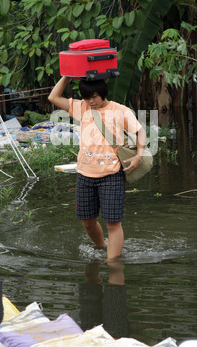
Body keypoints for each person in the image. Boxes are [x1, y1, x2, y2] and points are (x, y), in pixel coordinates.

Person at [48, 76, 146, 261]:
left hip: (111, 174)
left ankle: (112, 264)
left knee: (113, 223)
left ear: (102, 92)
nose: (90, 101)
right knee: (87, 222)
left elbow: (140, 131)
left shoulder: (120, 110)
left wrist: (138, 156)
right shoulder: (82, 108)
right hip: (85, 175)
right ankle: (101, 247)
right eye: (86, 97)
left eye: (93, 96)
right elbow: (53, 97)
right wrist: (68, 75)